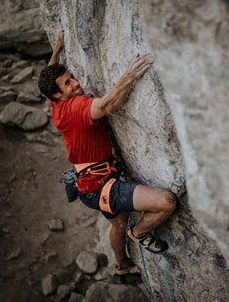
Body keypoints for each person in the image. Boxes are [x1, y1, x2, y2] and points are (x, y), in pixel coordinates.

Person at [38, 30, 177, 275]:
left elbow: (50, 78)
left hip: (89, 184)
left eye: (72, 77)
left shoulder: (57, 104)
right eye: (68, 83)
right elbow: (107, 104)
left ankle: (123, 266)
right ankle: (140, 234)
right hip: (100, 186)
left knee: (119, 223)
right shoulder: (76, 107)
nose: (76, 83)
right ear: (58, 95)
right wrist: (130, 74)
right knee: (166, 202)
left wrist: (57, 50)